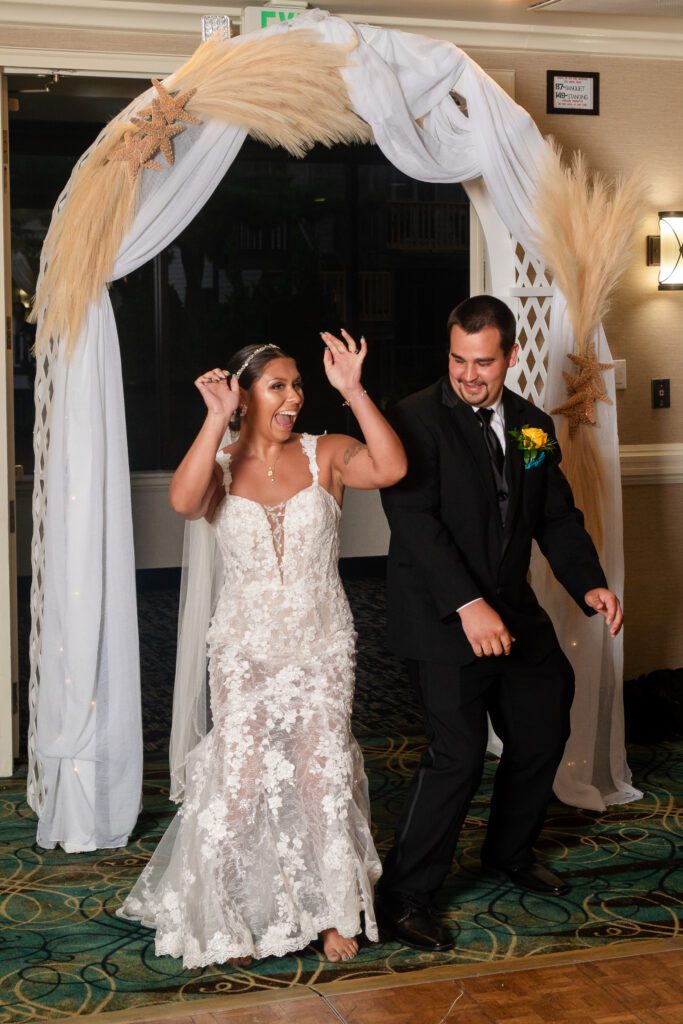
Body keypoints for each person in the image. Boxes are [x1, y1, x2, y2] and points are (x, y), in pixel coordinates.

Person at [117, 332, 407, 967]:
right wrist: (214, 420)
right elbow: (184, 502)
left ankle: (333, 913)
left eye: (299, 385)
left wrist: (354, 391)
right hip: (245, 645)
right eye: (279, 385)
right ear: (245, 395)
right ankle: (229, 914)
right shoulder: (219, 465)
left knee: (318, 770)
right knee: (243, 778)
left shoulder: (326, 452)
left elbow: (391, 468)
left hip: (322, 641)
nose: (295, 397)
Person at [378, 295, 623, 952]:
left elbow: (554, 517)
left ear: (509, 356)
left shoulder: (533, 426)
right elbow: (415, 527)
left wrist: (589, 583)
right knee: (456, 753)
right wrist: (467, 605)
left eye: (482, 362)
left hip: (510, 608)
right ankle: (405, 896)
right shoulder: (411, 419)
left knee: (544, 716)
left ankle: (507, 852)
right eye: (458, 359)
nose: (467, 375)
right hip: (438, 612)